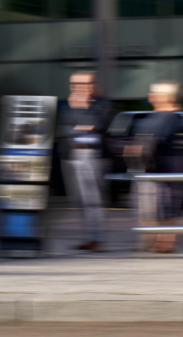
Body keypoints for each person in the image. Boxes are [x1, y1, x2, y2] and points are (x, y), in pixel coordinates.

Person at [124, 81, 183, 253]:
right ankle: (149, 241)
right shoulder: (154, 114)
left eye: (154, 93)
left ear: (166, 96)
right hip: (147, 164)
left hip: (167, 164)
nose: (150, 96)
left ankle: (166, 243)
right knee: (146, 204)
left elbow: (159, 138)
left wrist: (140, 146)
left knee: (168, 204)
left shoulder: (173, 116)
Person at [59, 71, 114, 252]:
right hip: (73, 155)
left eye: (85, 84)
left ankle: (97, 240)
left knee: (93, 200)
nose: (80, 88)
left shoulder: (104, 104)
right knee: (80, 200)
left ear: (94, 85)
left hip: (93, 156)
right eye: (75, 84)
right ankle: (88, 237)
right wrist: (80, 122)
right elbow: (65, 127)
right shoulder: (67, 105)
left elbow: (97, 125)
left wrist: (81, 109)